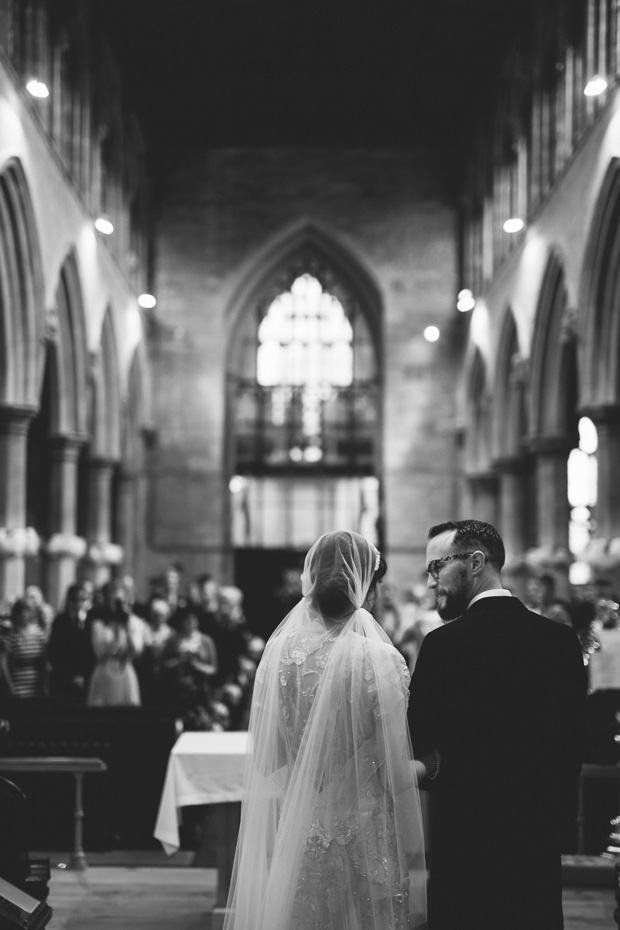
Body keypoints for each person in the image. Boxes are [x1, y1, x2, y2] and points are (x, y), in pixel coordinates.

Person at [224, 530, 428, 930]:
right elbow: (394, 770)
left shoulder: (280, 654)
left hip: (304, 825)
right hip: (366, 832)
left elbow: (272, 759)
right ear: (366, 591)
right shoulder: (380, 658)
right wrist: (435, 764)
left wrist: (313, 785)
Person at [408, 519, 587, 930]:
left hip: (464, 845)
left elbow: (416, 740)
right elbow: (570, 748)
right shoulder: (560, 641)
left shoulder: (443, 645)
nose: (432, 581)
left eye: (437, 567)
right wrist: (549, 826)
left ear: (475, 562)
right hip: (536, 844)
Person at [47, 583, 96, 701]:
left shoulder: (92, 622)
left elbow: (93, 652)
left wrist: (84, 676)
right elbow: (54, 652)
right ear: (69, 601)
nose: (79, 604)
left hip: (86, 679)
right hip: (63, 679)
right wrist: (69, 676)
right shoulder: (60, 622)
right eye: (75, 600)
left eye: (83, 600)